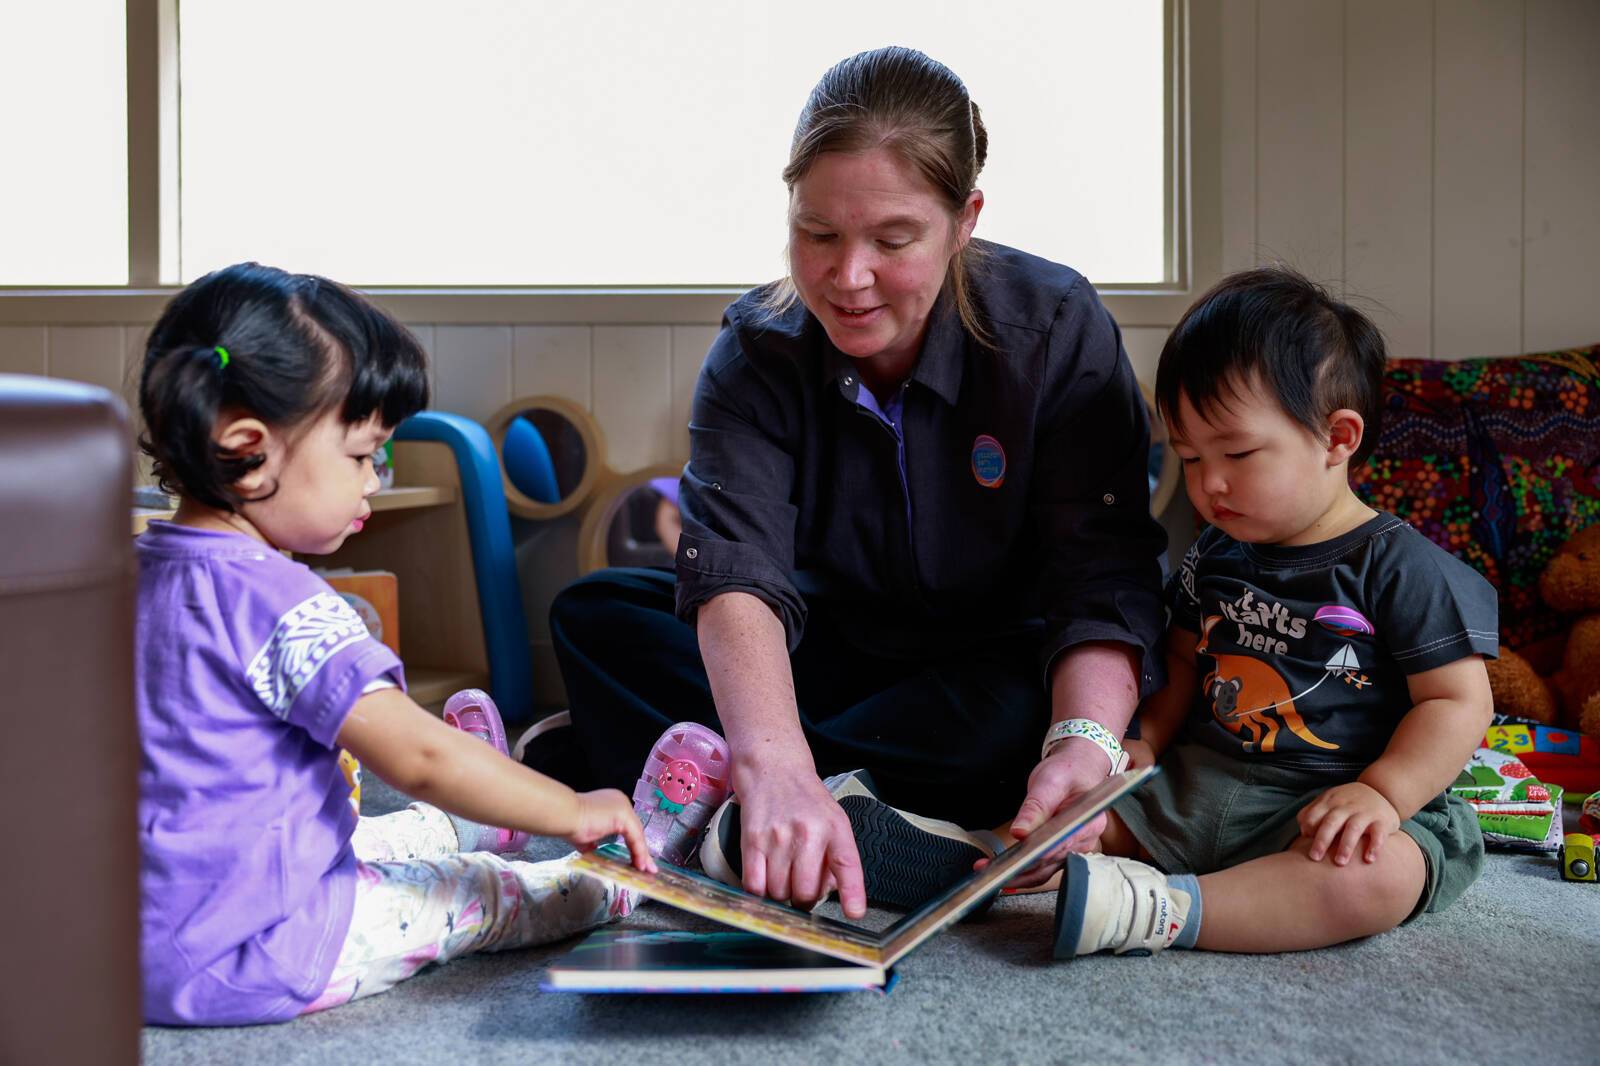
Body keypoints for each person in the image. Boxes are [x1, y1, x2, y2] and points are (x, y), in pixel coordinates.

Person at [537, 46, 1167, 920]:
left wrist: (1083, 743)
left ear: (964, 219)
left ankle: (698, 787)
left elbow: (1102, 575)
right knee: (597, 615)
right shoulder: (755, 350)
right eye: (818, 234)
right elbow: (737, 572)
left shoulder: (1054, 327)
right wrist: (777, 754)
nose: (848, 276)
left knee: (1012, 722)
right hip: (828, 650)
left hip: (988, 661)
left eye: (893, 239)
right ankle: (817, 797)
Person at [134, 262, 655, 1026]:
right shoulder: (286, 607)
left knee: (375, 826)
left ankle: (487, 809)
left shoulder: (115, 578)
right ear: (246, 450)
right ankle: (599, 883)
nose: (375, 480)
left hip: (122, 941)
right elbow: (422, 758)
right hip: (260, 952)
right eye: (359, 456)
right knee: (473, 887)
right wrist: (576, 809)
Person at [1048, 267, 1496, 958]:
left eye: (1237, 452)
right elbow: (1179, 654)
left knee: (1377, 877)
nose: (1209, 483)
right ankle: (997, 856)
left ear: (1337, 438)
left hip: (1327, 804)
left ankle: (1160, 911)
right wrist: (1145, 742)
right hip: (1205, 783)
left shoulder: (1400, 566)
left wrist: (1384, 793)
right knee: (1080, 812)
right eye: (1191, 457)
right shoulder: (1218, 551)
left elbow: (1458, 702)